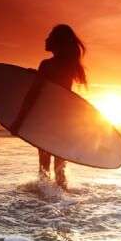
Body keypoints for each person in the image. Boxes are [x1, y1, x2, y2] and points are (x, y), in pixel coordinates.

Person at [36, 24, 88, 189]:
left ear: (57, 41)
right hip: (66, 121)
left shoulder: (46, 65)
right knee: (60, 171)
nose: (46, 39)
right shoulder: (70, 66)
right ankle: (63, 204)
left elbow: (34, 95)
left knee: (44, 167)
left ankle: (42, 202)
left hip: (47, 119)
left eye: (49, 36)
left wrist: (18, 122)